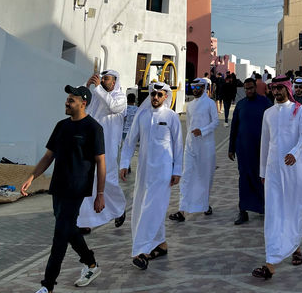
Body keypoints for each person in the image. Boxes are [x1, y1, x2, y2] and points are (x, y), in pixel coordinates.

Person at [22, 85, 105, 293]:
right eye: (67, 99)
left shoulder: (93, 128)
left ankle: (47, 286)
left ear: (83, 103)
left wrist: (100, 194)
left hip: (76, 189)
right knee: (68, 229)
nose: (67, 103)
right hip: (58, 186)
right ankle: (91, 263)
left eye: (71, 100)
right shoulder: (61, 126)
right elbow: (48, 156)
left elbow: (101, 163)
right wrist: (32, 177)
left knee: (59, 236)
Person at [119, 82, 183, 271]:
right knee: (140, 207)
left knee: (152, 208)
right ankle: (160, 244)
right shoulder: (142, 115)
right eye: (153, 94)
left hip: (164, 171)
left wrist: (177, 170)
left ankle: (141, 251)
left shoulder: (171, 117)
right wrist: (124, 164)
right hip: (144, 170)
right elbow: (130, 141)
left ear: (166, 97)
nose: (155, 97)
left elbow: (178, 145)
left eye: (159, 94)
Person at [252, 78, 302, 279]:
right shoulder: (268, 113)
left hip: (294, 168)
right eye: (273, 88)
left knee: (294, 208)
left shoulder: (298, 109)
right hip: (273, 170)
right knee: (274, 213)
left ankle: (296, 247)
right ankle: (271, 262)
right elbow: (265, 143)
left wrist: (294, 152)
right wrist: (262, 172)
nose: (276, 91)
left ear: (287, 89)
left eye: (279, 88)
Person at [77, 70, 127, 234]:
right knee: (89, 181)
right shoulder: (97, 96)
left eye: (106, 79)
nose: (103, 81)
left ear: (114, 82)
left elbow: (112, 107)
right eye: (102, 78)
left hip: (109, 148)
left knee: (108, 181)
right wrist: (87, 85)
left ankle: (119, 208)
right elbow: (82, 106)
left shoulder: (120, 98)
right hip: (92, 145)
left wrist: (97, 88)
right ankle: (86, 221)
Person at [169, 78, 219, 221]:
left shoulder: (210, 103)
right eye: (194, 87)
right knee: (187, 176)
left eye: (198, 87)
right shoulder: (190, 105)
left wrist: (202, 131)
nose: (196, 90)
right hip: (191, 146)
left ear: (204, 88)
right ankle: (182, 210)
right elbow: (189, 125)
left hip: (206, 146)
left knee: (205, 177)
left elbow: (215, 122)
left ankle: (205, 205)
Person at [228, 77, 271, 225]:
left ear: (255, 87)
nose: (249, 91)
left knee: (261, 179)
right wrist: (231, 148)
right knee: (244, 179)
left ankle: (263, 207)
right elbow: (234, 128)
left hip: (261, 150)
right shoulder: (240, 105)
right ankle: (243, 211)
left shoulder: (265, 103)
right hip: (244, 150)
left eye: (251, 88)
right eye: (246, 89)